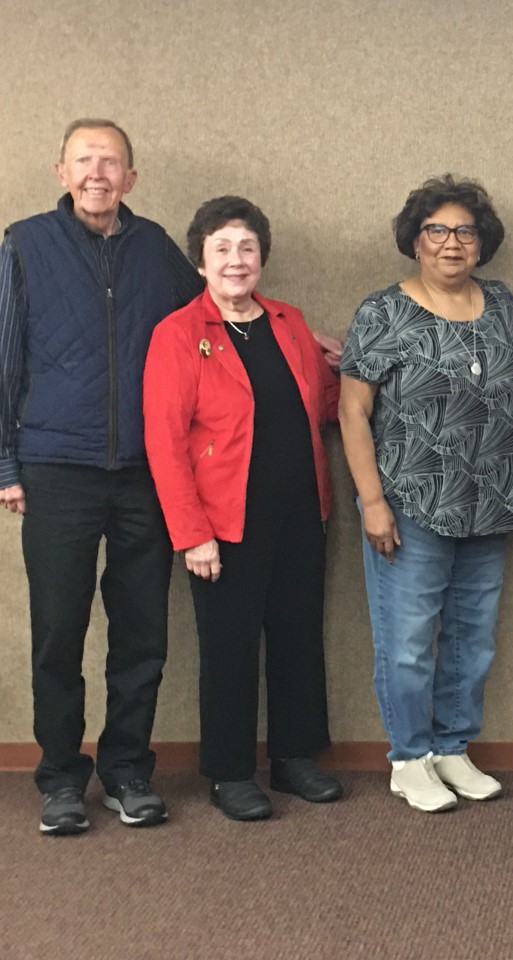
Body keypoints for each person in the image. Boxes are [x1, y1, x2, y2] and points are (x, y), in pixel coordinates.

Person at [0, 119, 205, 834]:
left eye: (110, 162)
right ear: (61, 171)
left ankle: (126, 771)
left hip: (145, 471)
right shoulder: (24, 243)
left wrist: (293, 337)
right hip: (56, 467)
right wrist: (5, 463)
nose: (97, 173)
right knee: (58, 629)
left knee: (143, 630)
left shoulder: (155, 249)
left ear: (131, 178)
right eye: (84, 161)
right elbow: (3, 358)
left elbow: (208, 322)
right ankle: (61, 778)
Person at [340, 175, 513, 814]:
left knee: (472, 636)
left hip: (491, 501)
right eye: (437, 230)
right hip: (411, 500)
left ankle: (452, 748)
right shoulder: (384, 311)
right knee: (407, 639)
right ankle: (409, 757)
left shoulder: (501, 301)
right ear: (414, 241)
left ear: (483, 243)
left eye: (465, 230)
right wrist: (372, 502)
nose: (451, 242)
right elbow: (353, 412)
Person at [143, 196, 343, 821]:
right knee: (229, 648)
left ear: (263, 257)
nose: (237, 260)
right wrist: (191, 534)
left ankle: (294, 759)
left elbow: (326, 404)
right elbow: (164, 442)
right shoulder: (177, 333)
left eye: (248, 248)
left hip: (301, 512)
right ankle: (230, 772)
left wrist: (362, 372)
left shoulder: (288, 321)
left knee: (297, 637)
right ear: (200, 261)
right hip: (223, 524)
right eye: (222, 249)